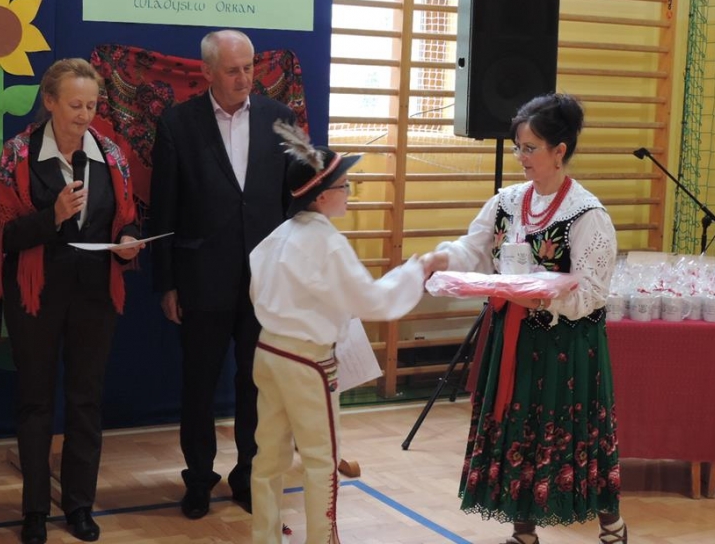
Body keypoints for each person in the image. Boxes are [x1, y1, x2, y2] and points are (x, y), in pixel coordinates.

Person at [431, 94, 626, 544]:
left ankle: (612, 527)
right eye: (519, 147)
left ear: (560, 151)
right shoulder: (507, 201)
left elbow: (592, 294)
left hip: (565, 346)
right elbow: (472, 249)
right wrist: (439, 259)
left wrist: (539, 297)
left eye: (531, 148)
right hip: (513, 337)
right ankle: (523, 533)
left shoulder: (587, 214)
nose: (521, 156)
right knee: (518, 429)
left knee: (572, 434)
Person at [249, 121, 445, 544]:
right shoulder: (327, 243)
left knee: (269, 455)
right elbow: (372, 301)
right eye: (345, 185)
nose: (350, 192)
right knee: (321, 459)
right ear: (322, 195)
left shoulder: (277, 237)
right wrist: (416, 270)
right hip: (307, 361)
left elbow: (258, 290)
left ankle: (264, 537)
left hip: (269, 352)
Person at [0, 58, 143, 544]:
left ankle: (79, 506)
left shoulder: (110, 153)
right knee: (35, 402)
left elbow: (126, 217)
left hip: (94, 296)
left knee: (86, 401)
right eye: (75, 105)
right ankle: (34, 512)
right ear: (49, 102)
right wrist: (51, 216)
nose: (84, 115)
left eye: (91, 105)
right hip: (35, 296)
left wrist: (129, 240)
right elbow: (5, 236)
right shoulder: (18, 153)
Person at [149, 29, 297, 519]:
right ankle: (198, 479)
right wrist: (167, 282)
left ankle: (249, 475)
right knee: (199, 386)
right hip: (200, 277)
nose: (243, 78)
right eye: (232, 70)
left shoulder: (280, 118)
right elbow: (163, 209)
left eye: (249, 68)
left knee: (257, 384)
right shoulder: (178, 123)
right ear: (207, 71)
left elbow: (294, 201)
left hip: (265, 280)